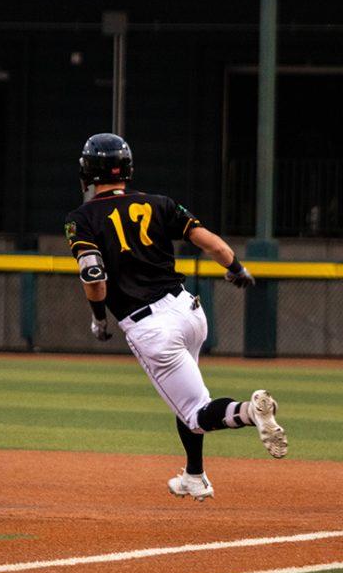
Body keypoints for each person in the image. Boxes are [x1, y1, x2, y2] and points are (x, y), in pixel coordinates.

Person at [64, 133, 287, 501]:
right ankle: (195, 476)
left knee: (196, 412)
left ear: (87, 172)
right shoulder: (159, 203)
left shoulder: (80, 218)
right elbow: (212, 243)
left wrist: (98, 318)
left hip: (151, 326)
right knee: (186, 398)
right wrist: (236, 268)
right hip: (189, 311)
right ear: (129, 169)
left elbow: (93, 275)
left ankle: (250, 412)